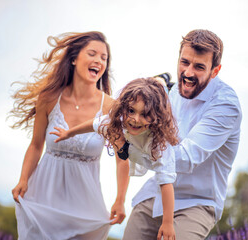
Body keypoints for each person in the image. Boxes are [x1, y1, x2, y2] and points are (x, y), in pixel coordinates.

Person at [122, 29, 243, 239]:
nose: (188, 72)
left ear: (215, 71)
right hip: (157, 190)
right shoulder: (171, 91)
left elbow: (185, 159)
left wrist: (128, 149)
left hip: (197, 202)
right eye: (184, 62)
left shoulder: (226, 106)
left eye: (199, 67)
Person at [10, 31, 129, 240]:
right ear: (74, 59)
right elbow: (36, 145)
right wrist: (23, 179)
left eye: (104, 58)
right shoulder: (48, 98)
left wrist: (120, 199)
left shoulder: (111, 107)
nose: (99, 61)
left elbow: (123, 156)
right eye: (92, 54)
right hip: (43, 198)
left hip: (84, 207)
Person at [51, 77, 179, 240]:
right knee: (151, 88)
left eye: (145, 114)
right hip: (132, 148)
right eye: (131, 111)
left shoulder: (160, 145)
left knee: (163, 91)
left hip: (147, 142)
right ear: (123, 108)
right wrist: (68, 133)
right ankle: (159, 80)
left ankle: (163, 81)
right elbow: (93, 124)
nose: (135, 119)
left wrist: (167, 222)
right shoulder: (116, 121)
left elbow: (166, 184)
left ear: (156, 117)